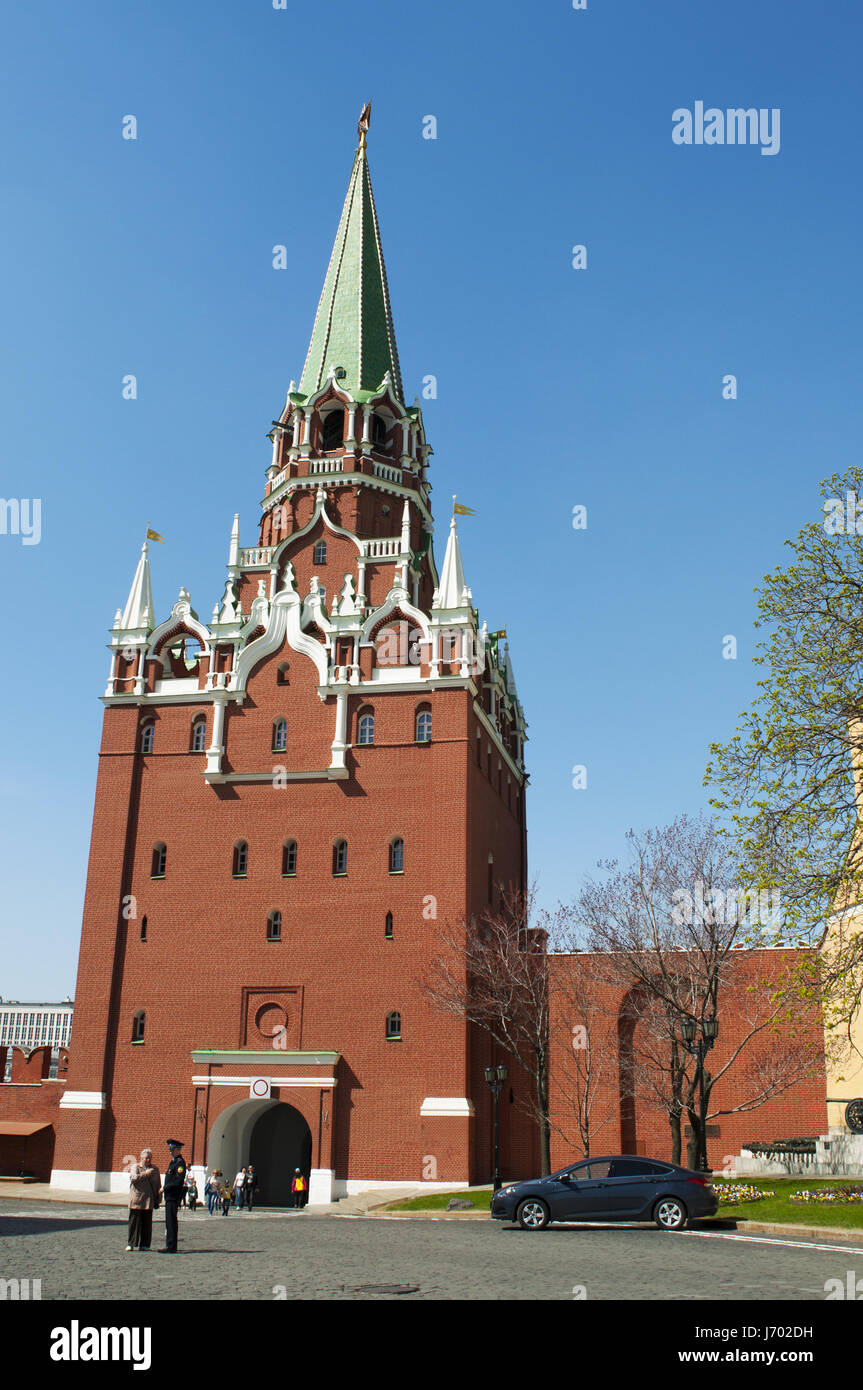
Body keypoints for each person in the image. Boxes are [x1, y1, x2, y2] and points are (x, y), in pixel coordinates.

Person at [126, 1148, 160, 1251]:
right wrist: (145, 1174)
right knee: (134, 1223)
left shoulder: (155, 1169)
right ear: (141, 1158)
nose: (148, 1160)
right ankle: (131, 1243)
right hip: (137, 1199)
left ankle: (144, 1245)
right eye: (146, 1158)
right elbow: (133, 1178)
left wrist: (158, 1199)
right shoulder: (136, 1167)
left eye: (150, 1158)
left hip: (148, 1200)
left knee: (147, 1223)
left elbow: (157, 1185)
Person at [159, 1139, 187, 1253]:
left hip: (173, 1195)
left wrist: (165, 1188)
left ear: (178, 1149)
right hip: (169, 1195)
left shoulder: (180, 1163)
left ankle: (171, 1246)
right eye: (170, 1149)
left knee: (171, 1221)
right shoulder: (173, 1162)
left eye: (173, 1149)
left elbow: (178, 1181)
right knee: (169, 1220)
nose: (170, 1152)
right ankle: (170, 1244)